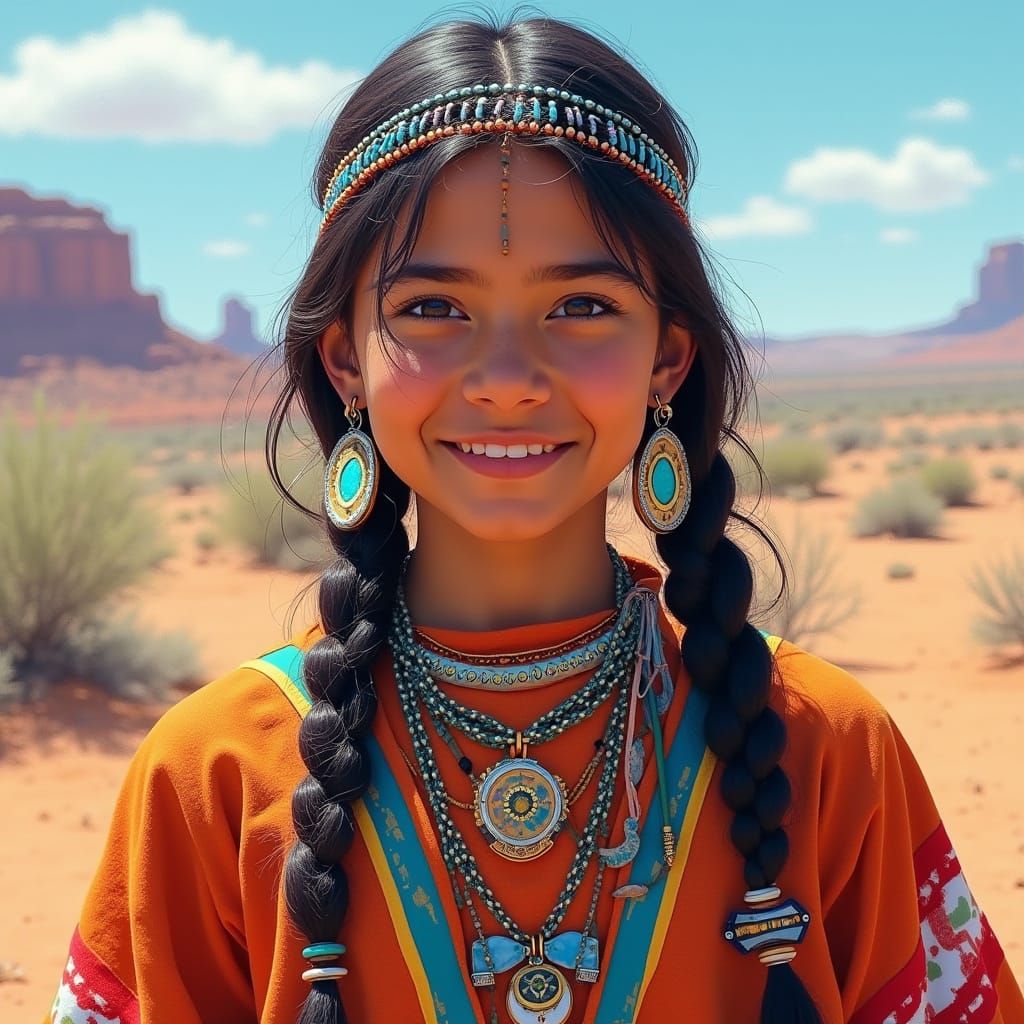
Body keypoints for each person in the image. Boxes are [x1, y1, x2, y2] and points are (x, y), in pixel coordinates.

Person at [46, 11, 1023, 1024]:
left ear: (667, 358)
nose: (508, 378)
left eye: (582, 307)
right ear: (345, 362)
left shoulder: (824, 748)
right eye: (433, 309)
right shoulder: (212, 773)